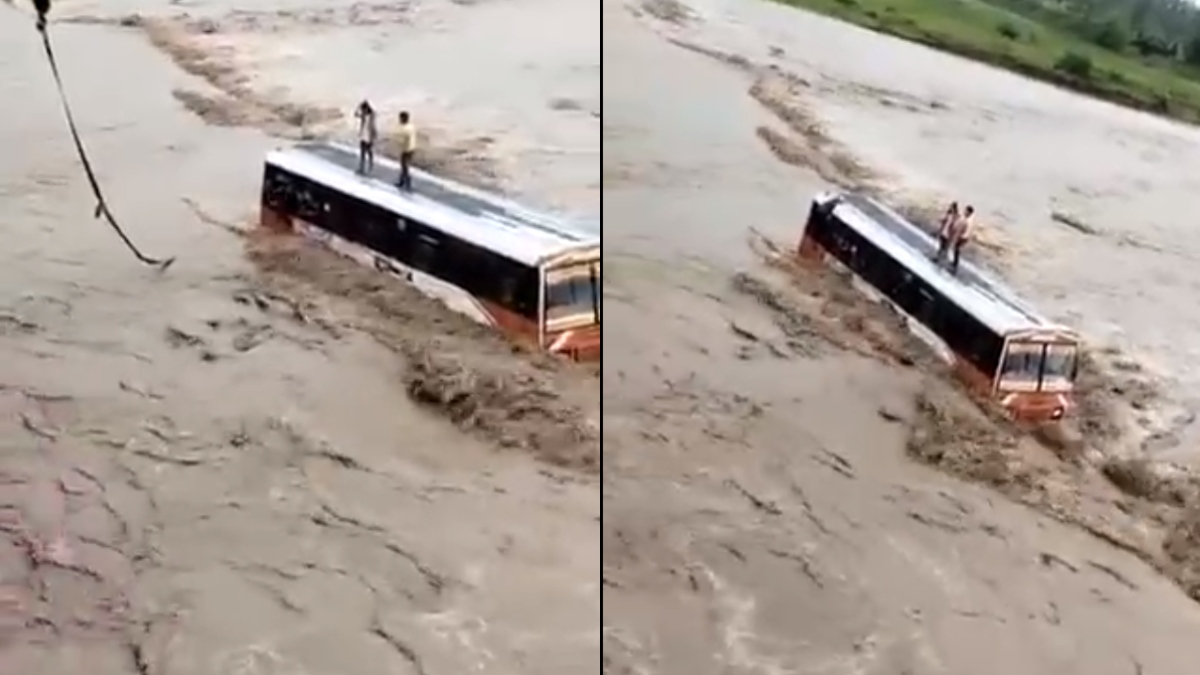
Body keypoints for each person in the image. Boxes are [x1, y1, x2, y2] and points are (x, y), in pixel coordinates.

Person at [947, 205, 974, 274]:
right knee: (955, 249)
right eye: (965, 210)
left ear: (969, 213)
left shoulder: (969, 221)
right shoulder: (963, 217)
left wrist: (962, 237)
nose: (965, 212)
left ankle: (954, 265)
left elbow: (968, 231)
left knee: (956, 250)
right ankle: (954, 263)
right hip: (958, 235)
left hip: (961, 237)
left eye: (966, 211)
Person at [395, 111, 417, 191]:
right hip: (412, 148)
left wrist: (397, 142)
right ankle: (402, 182)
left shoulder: (405, 129)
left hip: (406, 150)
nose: (399, 120)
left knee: (404, 167)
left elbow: (402, 141)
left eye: (400, 118)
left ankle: (407, 183)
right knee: (405, 167)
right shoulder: (411, 126)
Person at [354, 100, 377, 175]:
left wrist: (373, 137)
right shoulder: (364, 116)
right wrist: (358, 105)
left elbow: (373, 126)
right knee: (362, 152)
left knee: (368, 151)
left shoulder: (371, 116)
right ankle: (362, 167)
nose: (362, 111)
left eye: (363, 109)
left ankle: (370, 164)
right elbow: (355, 114)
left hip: (369, 136)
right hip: (363, 135)